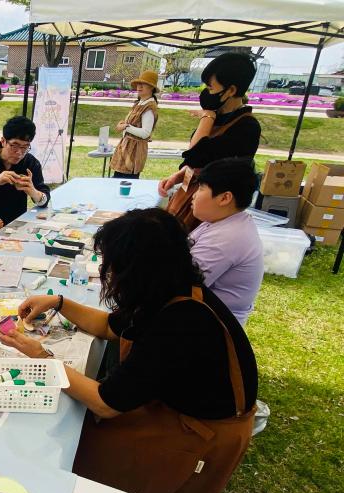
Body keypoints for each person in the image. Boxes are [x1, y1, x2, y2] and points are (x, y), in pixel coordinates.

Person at [0, 208, 258, 493]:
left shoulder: (179, 322)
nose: (108, 273)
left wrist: (41, 357)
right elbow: (109, 326)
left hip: (199, 434)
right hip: (175, 408)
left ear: (138, 269)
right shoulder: (170, 288)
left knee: (87, 462)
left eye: (112, 266)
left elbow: (105, 403)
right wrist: (58, 303)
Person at [160, 53, 261, 231]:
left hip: (210, 210)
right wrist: (179, 175)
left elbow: (196, 156)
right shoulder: (217, 116)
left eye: (210, 87)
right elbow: (194, 162)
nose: (206, 92)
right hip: (189, 195)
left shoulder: (246, 127)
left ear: (231, 90)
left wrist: (207, 115)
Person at [190, 158, 264, 325]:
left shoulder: (226, 238)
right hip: (205, 313)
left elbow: (180, 286)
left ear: (225, 198)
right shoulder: (226, 221)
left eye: (201, 188)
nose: (194, 195)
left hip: (213, 326)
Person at [0, 116, 50, 234]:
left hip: (16, 229)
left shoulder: (30, 163)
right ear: (3, 141)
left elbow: (44, 200)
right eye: (14, 145)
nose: (19, 152)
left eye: (25, 147)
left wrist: (33, 192)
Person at [109, 70, 159, 179]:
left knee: (125, 183)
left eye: (143, 84)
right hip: (126, 149)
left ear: (151, 87)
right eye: (138, 84)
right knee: (118, 181)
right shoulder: (139, 103)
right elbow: (132, 124)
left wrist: (126, 127)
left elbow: (145, 133)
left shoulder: (149, 107)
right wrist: (123, 125)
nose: (139, 87)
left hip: (134, 152)